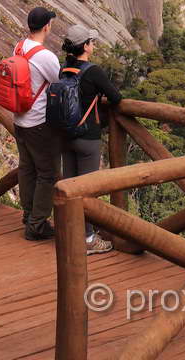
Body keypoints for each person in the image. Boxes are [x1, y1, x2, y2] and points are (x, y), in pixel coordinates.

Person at [60, 23, 122, 255]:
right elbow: (116, 97)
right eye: (92, 42)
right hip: (87, 138)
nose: (94, 45)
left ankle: (69, 233)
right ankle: (87, 240)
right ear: (85, 46)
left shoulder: (63, 69)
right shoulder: (93, 71)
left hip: (66, 135)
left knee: (69, 186)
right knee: (86, 191)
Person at [13, 6, 62, 241]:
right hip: (38, 123)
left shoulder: (19, 47)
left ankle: (28, 214)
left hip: (19, 120)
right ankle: (37, 224)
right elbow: (58, 81)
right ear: (46, 26)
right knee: (48, 174)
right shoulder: (45, 56)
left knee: (27, 169)